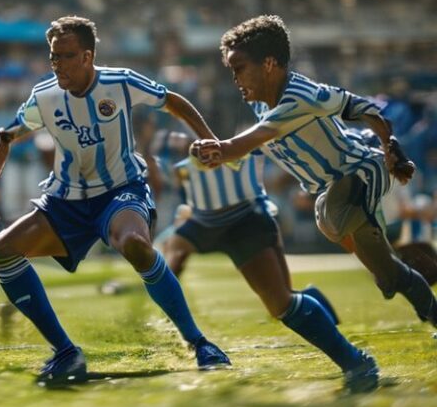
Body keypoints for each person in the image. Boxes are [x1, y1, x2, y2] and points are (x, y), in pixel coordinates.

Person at [0, 16, 230, 386]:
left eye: (65, 56)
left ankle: (200, 343)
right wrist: (1, 147)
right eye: (53, 57)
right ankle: (65, 352)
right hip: (66, 200)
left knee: (136, 246)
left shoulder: (120, 82)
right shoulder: (44, 95)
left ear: (87, 57)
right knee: (3, 250)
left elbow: (172, 101)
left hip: (120, 189)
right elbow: (18, 125)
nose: (57, 64)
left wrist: (210, 139)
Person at [190, 15, 436, 345]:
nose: (234, 78)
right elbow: (248, 148)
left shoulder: (300, 95)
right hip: (327, 189)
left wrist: (391, 148)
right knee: (385, 270)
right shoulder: (262, 106)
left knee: (335, 209)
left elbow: (363, 106)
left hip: (359, 170)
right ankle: (400, 275)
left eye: (239, 68)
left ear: (269, 64)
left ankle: (388, 255)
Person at [157, 131, 376, 392]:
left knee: (282, 304)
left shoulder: (233, 143)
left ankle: (355, 361)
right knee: (282, 301)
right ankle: (190, 332)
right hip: (231, 218)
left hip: (243, 221)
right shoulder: (197, 164)